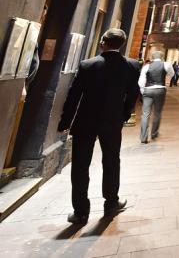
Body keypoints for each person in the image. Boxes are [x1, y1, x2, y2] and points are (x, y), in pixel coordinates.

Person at [57, 29, 140, 224]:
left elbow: (74, 96)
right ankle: (111, 203)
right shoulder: (131, 66)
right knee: (111, 161)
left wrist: (65, 122)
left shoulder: (88, 65)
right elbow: (132, 94)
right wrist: (123, 116)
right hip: (112, 122)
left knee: (80, 165)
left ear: (103, 42)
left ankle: (80, 211)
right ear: (122, 44)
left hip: (86, 121)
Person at [138, 51, 175, 144]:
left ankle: (143, 137)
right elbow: (172, 74)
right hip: (160, 90)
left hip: (148, 90)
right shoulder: (166, 64)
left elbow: (141, 81)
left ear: (152, 57)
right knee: (157, 112)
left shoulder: (146, 66)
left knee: (145, 114)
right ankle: (154, 133)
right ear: (162, 56)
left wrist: (143, 91)